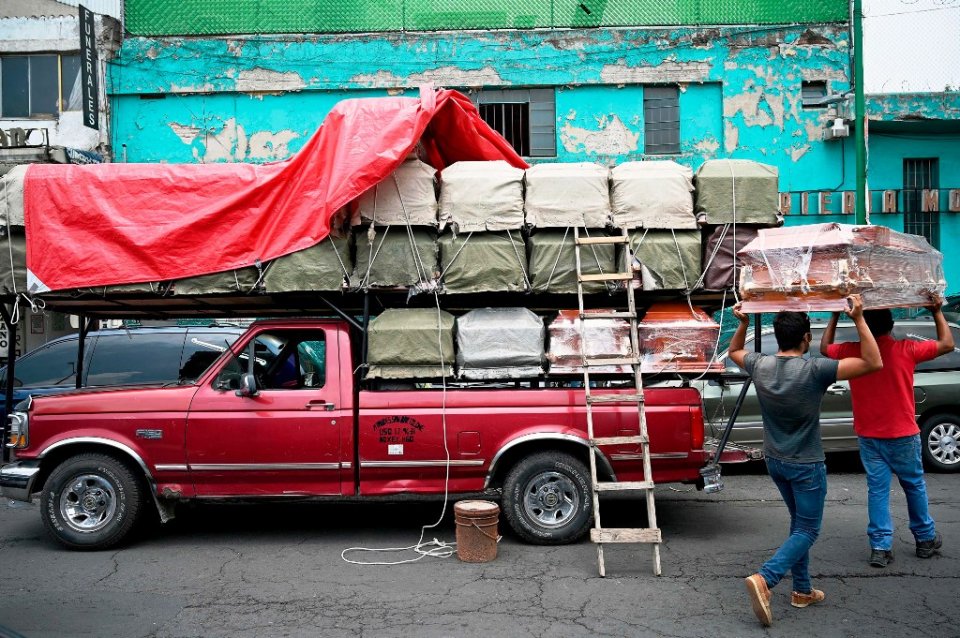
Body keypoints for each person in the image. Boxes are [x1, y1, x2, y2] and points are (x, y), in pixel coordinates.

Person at [731, 295, 882, 627]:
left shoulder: (760, 364)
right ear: (807, 338)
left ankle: (801, 590)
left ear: (778, 335)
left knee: (798, 525)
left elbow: (734, 352)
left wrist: (742, 324)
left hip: (775, 460)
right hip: (806, 464)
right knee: (808, 529)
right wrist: (857, 318)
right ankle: (766, 578)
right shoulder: (816, 368)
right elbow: (873, 362)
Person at [821, 298, 955, 568]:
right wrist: (937, 311)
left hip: (870, 435)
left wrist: (835, 316)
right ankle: (925, 540)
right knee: (914, 486)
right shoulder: (906, 349)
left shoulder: (852, 351)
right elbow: (947, 344)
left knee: (878, 491)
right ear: (891, 325)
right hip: (903, 433)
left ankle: (881, 547)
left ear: (864, 327)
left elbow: (824, 348)